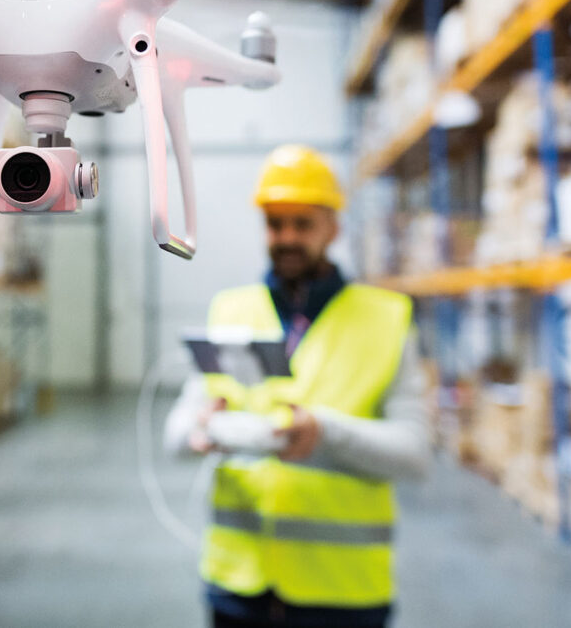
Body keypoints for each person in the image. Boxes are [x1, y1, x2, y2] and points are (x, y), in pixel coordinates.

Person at [165, 144, 430, 628]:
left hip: (342, 592)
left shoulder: (386, 319)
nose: (287, 237)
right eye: (275, 223)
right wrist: (198, 428)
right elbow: (176, 431)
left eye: (302, 224)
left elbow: (414, 455)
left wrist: (325, 432)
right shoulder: (231, 311)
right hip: (238, 587)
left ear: (333, 227)